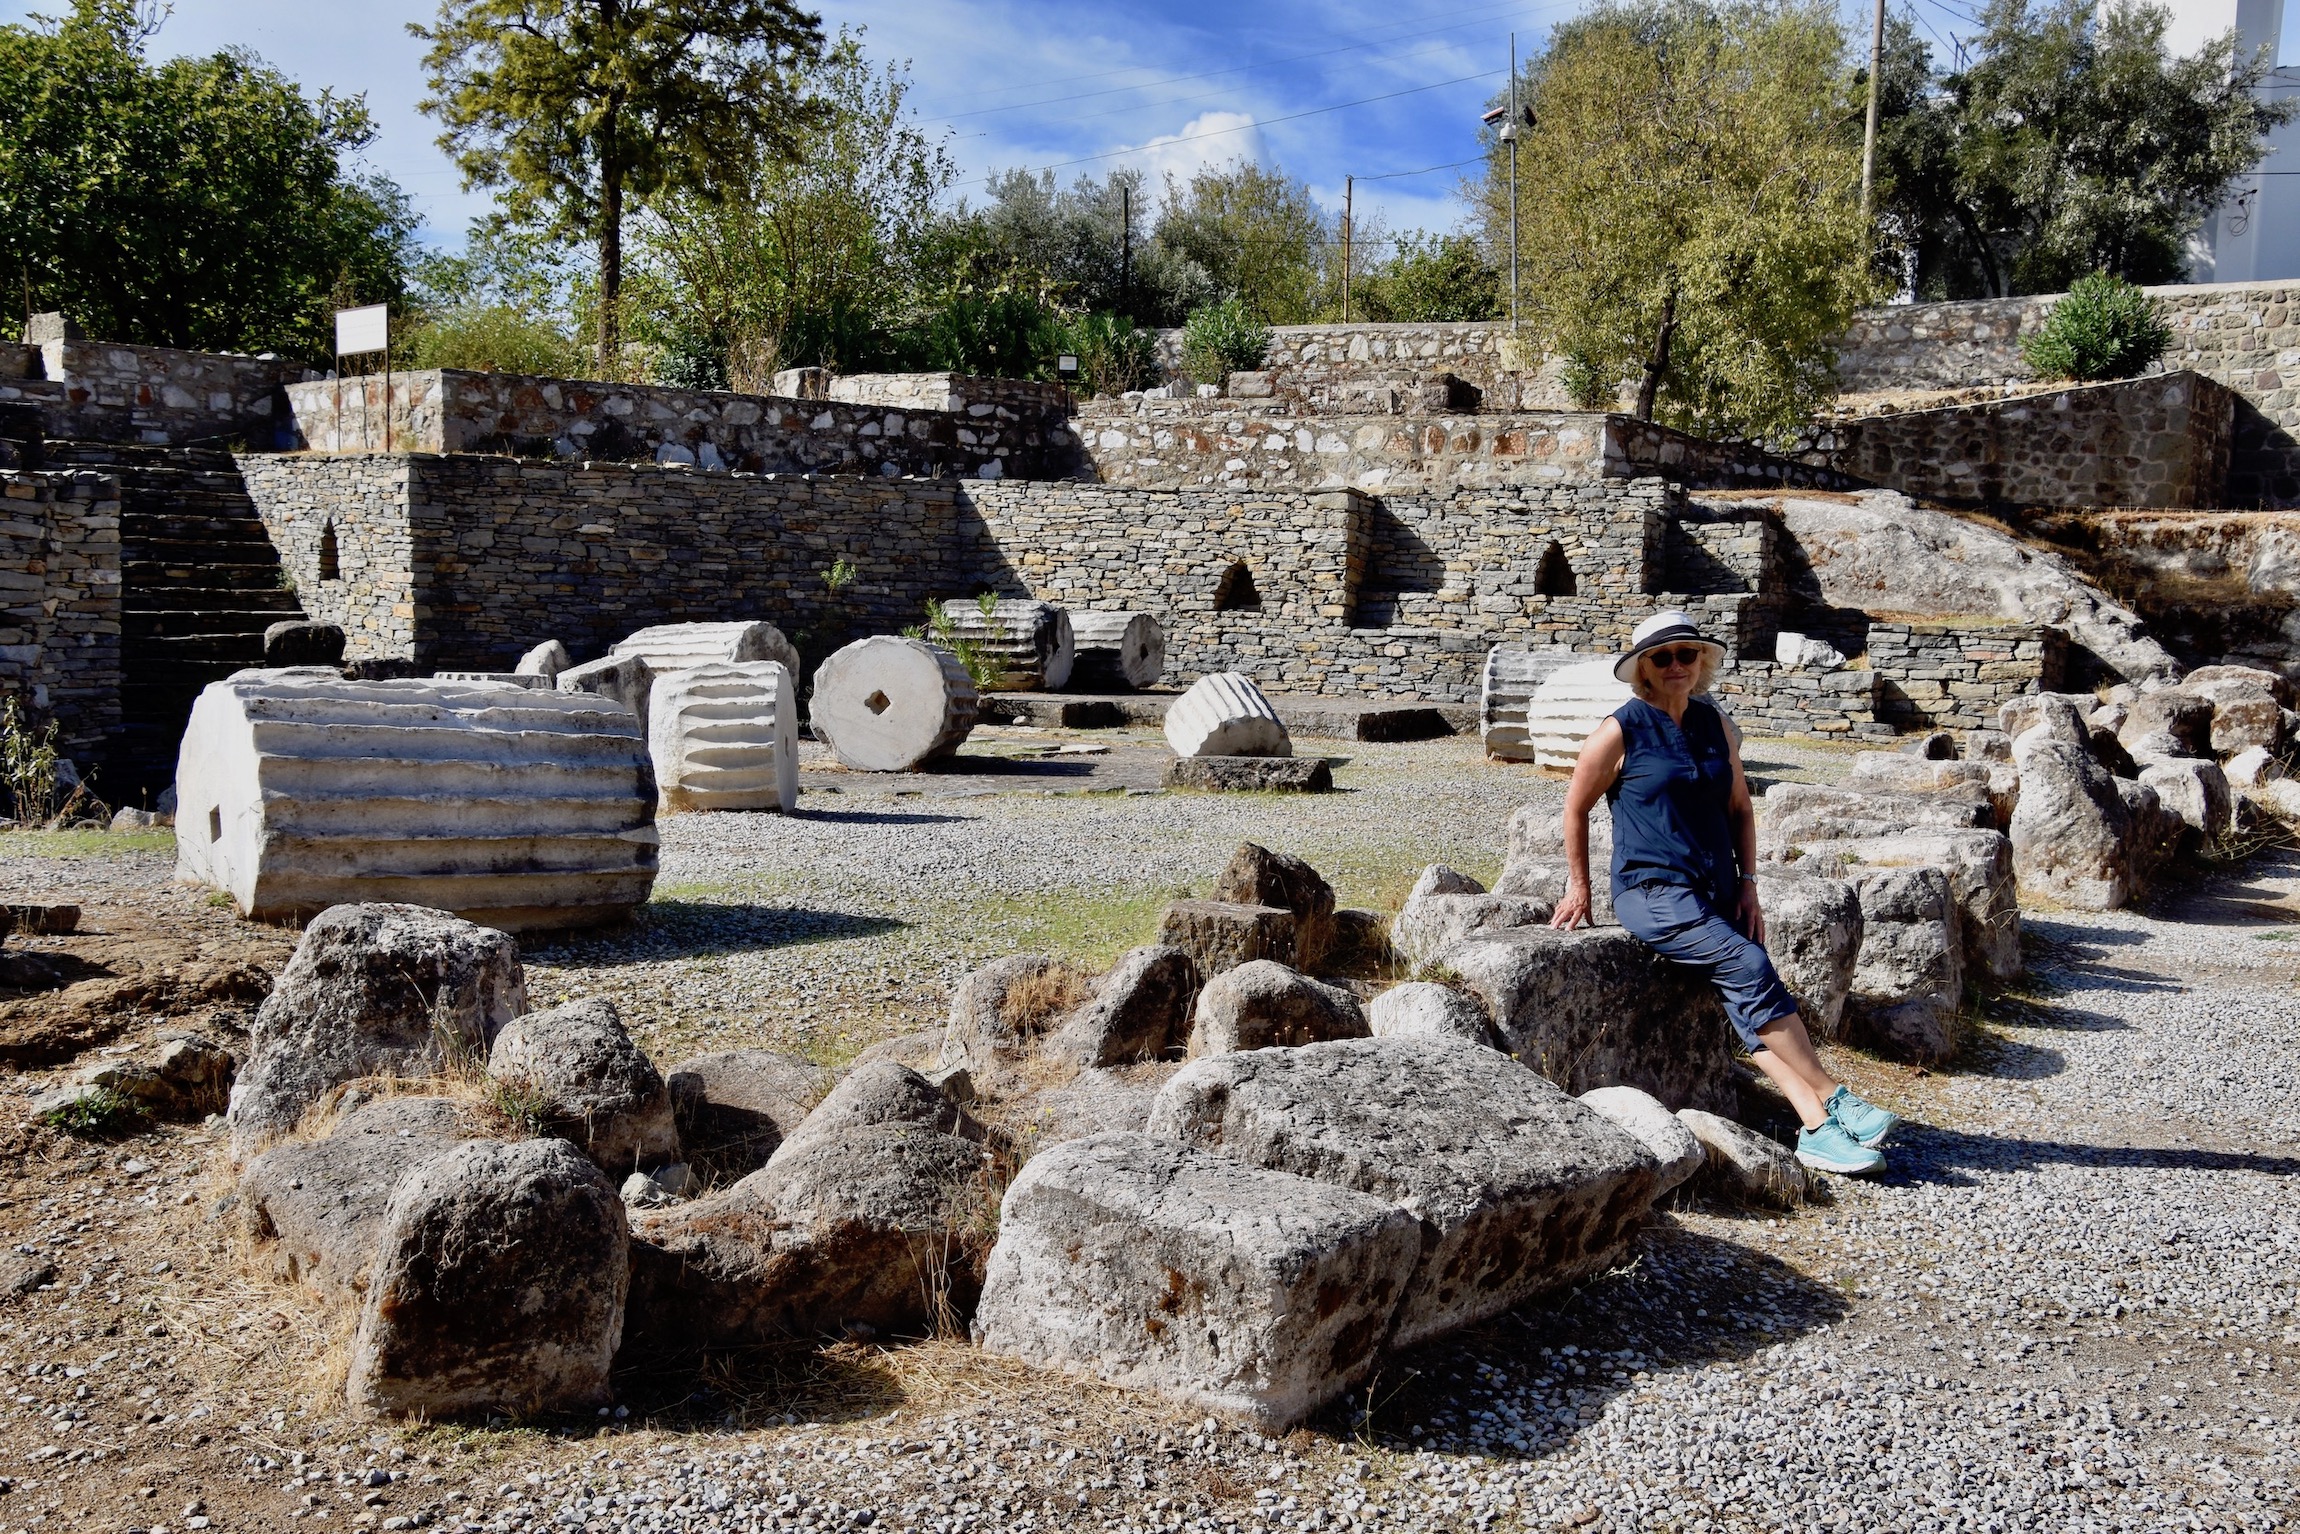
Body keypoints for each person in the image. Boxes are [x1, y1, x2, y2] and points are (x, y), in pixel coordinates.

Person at [1548, 610, 1898, 1175]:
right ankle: (1836, 1096)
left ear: (1702, 661)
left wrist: (1750, 884)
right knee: (1749, 965)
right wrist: (1580, 887)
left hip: (1717, 887)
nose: (1676, 665)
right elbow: (1575, 806)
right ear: (1643, 669)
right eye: (1662, 658)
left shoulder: (1715, 726)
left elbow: (1740, 808)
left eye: (1687, 654)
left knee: (1745, 999)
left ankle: (1815, 1128)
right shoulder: (1621, 729)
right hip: (1652, 890)